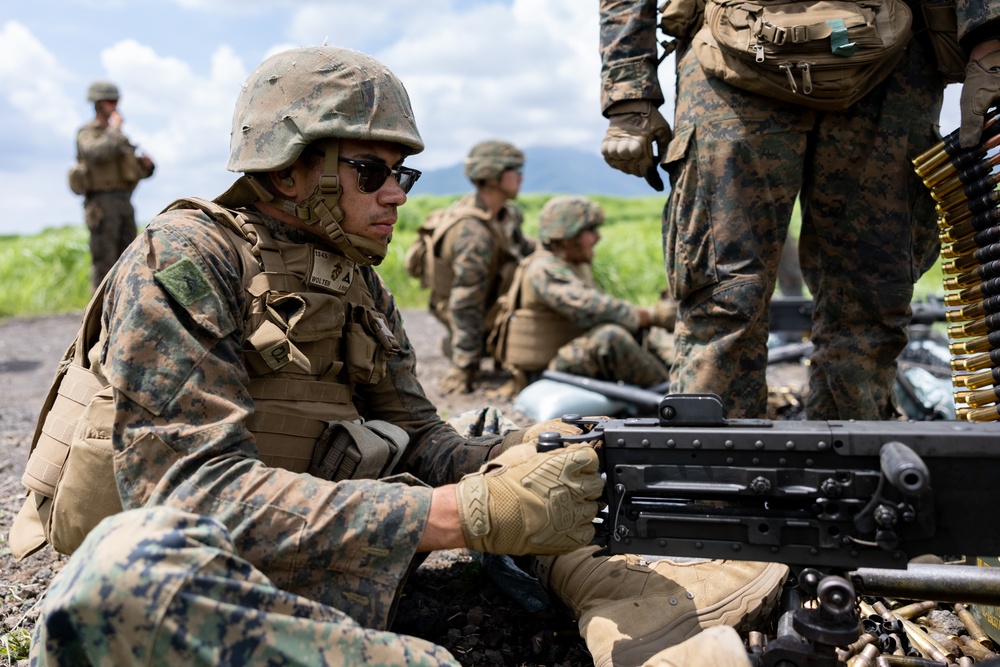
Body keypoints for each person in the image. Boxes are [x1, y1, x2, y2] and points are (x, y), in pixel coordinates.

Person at [27, 47, 786, 667]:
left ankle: (646, 610)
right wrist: (466, 512)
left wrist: (523, 455)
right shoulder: (187, 258)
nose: (395, 195)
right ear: (290, 168)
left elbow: (425, 443)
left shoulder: (356, 281)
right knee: (128, 573)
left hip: (318, 570)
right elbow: (192, 495)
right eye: (371, 171)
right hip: (195, 588)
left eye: (404, 174)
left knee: (523, 460)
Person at [598, 0, 1000, 420]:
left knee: (873, 298)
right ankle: (715, 474)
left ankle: (854, 468)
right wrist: (627, 87)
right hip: (728, 50)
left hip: (893, 53)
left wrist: (989, 41)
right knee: (720, 296)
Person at [492, 195, 678, 394]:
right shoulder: (544, 269)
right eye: (590, 231)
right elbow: (591, 308)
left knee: (640, 332)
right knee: (610, 337)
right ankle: (669, 390)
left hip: (560, 365)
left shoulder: (571, 266)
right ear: (567, 237)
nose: (598, 237)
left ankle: (674, 378)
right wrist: (650, 315)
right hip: (543, 375)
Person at [427, 140, 536, 395]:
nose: (521, 178)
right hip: (465, 309)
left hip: (486, 302)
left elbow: (522, 249)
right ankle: (477, 346)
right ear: (492, 177)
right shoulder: (473, 233)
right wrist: (465, 366)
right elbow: (466, 300)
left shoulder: (503, 215)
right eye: (515, 171)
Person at [74, 80, 155, 291]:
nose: (114, 105)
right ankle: (98, 318)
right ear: (98, 103)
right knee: (104, 262)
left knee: (130, 258)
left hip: (123, 201)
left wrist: (147, 166)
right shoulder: (88, 132)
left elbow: (131, 168)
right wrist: (115, 129)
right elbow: (95, 153)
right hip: (101, 203)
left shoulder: (117, 135)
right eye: (109, 101)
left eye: (116, 101)